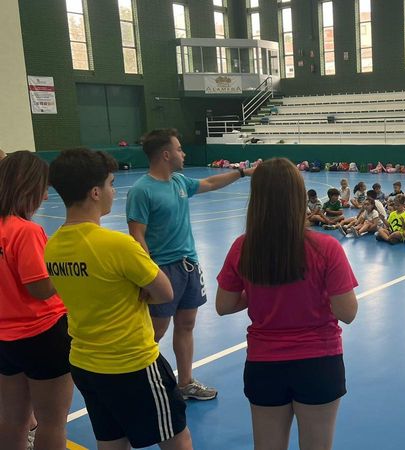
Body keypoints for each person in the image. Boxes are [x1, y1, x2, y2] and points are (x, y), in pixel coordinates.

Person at [45, 148, 191, 449]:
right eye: (112, 184)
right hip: (131, 363)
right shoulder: (117, 245)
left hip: (85, 364)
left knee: (111, 440)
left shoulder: (53, 245)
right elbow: (165, 292)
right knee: (177, 438)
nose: (114, 191)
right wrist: (137, 291)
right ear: (95, 192)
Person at [216, 157, 358, 450]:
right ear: (297, 196)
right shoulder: (326, 248)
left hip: (264, 363)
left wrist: (260, 293)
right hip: (319, 361)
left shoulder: (243, 247)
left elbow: (225, 305)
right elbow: (347, 312)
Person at [126, 129, 255, 401]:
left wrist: (243, 173)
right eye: (179, 148)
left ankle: (184, 383)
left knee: (186, 324)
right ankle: (138, 386)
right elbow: (137, 235)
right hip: (162, 270)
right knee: (154, 332)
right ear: (165, 154)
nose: (183, 153)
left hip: (189, 266)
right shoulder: (141, 190)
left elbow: (209, 183)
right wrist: (150, 275)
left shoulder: (179, 182)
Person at [0, 152, 72, 450]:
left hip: (5, 339)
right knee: (52, 421)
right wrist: (67, 272)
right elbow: (41, 289)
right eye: (42, 187)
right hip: (42, 335)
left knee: (12, 420)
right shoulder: (25, 231)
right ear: (26, 186)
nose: (45, 195)